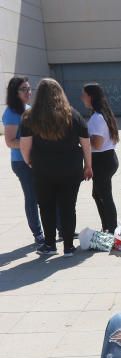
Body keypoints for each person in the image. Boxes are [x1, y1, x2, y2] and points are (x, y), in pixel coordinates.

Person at [20, 78, 91, 257]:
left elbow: (25, 145)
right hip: (71, 169)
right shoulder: (73, 115)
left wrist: (30, 162)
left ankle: (50, 245)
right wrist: (88, 165)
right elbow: (86, 144)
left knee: (46, 206)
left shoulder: (30, 117)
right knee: (68, 206)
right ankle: (68, 246)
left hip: (43, 169)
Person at [2, 76, 44, 245]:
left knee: (47, 195)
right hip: (21, 163)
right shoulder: (11, 113)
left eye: (29, 88)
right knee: (32, 197)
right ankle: (38, 234)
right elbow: (10, 141)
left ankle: (60, 229)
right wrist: (30, 142)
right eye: (24, 89)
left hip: (36, 160)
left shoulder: (29, 108)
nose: (28, 92)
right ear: (15, 92)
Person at [80, 83, 120, 233]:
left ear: (90, 97)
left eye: (83, 95)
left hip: (102, 160)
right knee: (98, 194)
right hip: (106, 158)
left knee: (104, 196)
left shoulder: (97, 117)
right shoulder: (101, 113)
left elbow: (97, 143)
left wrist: (81, 141)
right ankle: (108, 226)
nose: (82, 98)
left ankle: (112, 228)